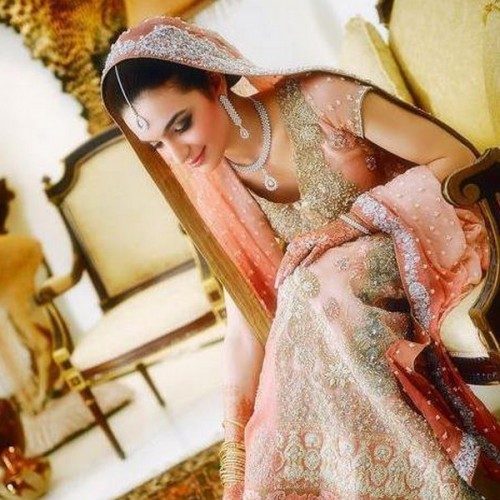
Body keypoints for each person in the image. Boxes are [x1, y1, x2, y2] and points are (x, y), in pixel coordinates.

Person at [100, 16, 500, 499]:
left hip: (427, 242)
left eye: (181, 125)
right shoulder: (220, 187)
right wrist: (235, 449)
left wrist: (350, 225)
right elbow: (244, 321)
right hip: (341, 308)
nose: (178, 153)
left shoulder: (320, 98)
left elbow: (456, 158)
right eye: (158, 144)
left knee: (311, 286)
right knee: (305, 306)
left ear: (214, 81)